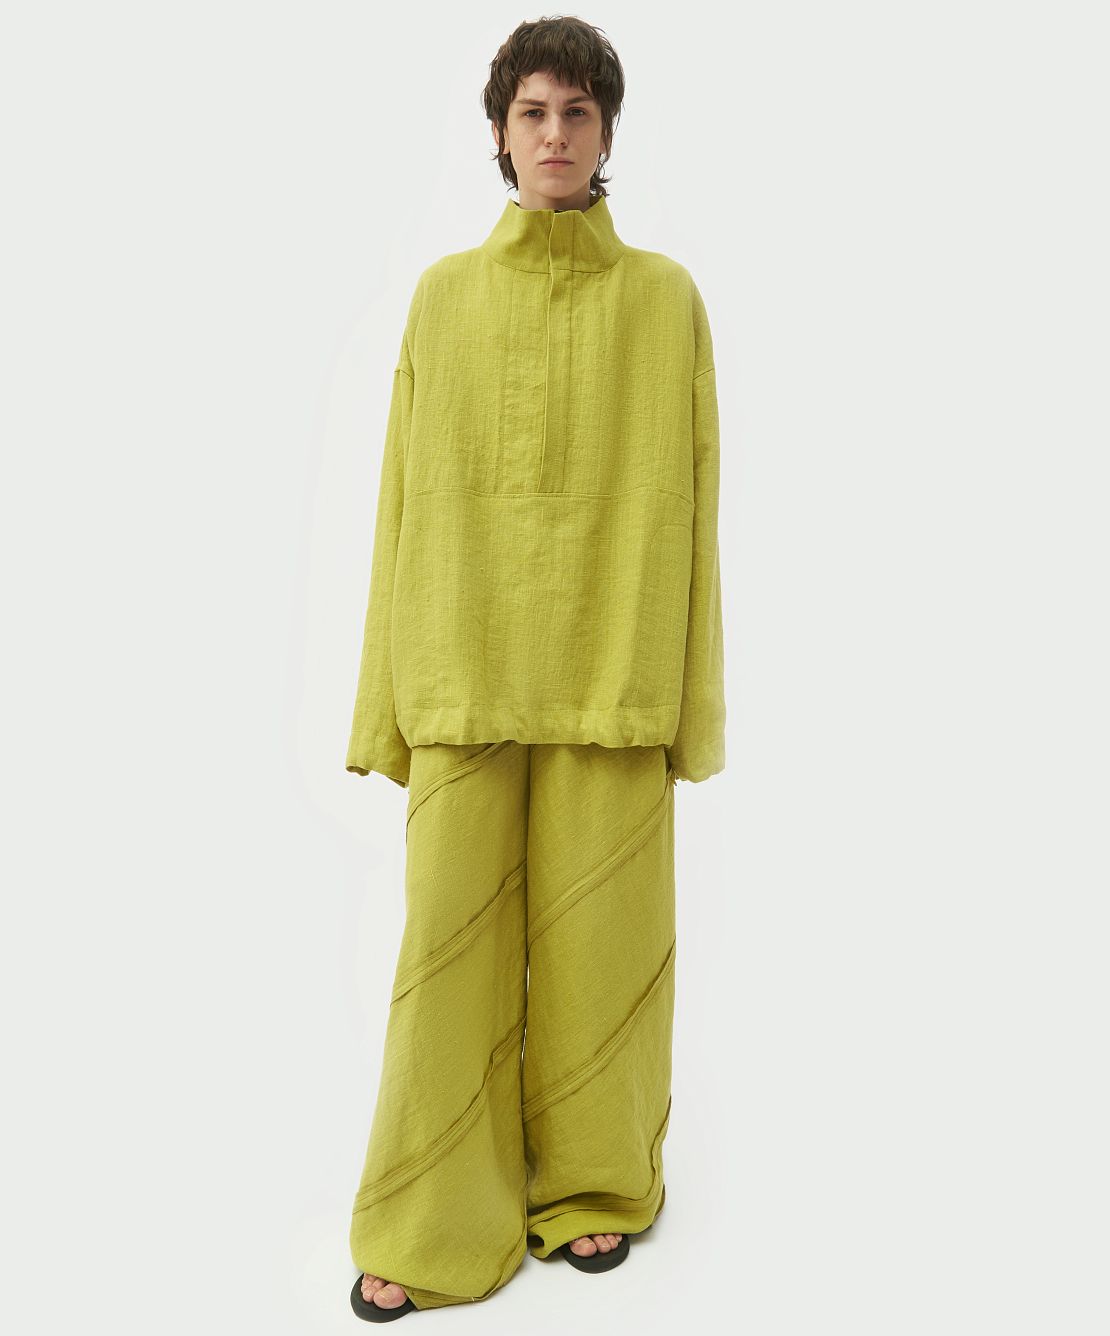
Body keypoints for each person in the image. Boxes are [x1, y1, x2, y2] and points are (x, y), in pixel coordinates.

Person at [345, 16, 725, 1321]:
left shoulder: (665, 300)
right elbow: (400, 506)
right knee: (444, 960)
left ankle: (594, 1186)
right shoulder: (443, 297)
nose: (554, 135)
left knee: (605, 953)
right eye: (532, 113)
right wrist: (384, 700)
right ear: (500, 133)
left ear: (606, 131)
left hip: (615, 672)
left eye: (576, 112)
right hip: (462, 665)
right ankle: (428, 1214)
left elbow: (696, 512)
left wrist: (691, 706)